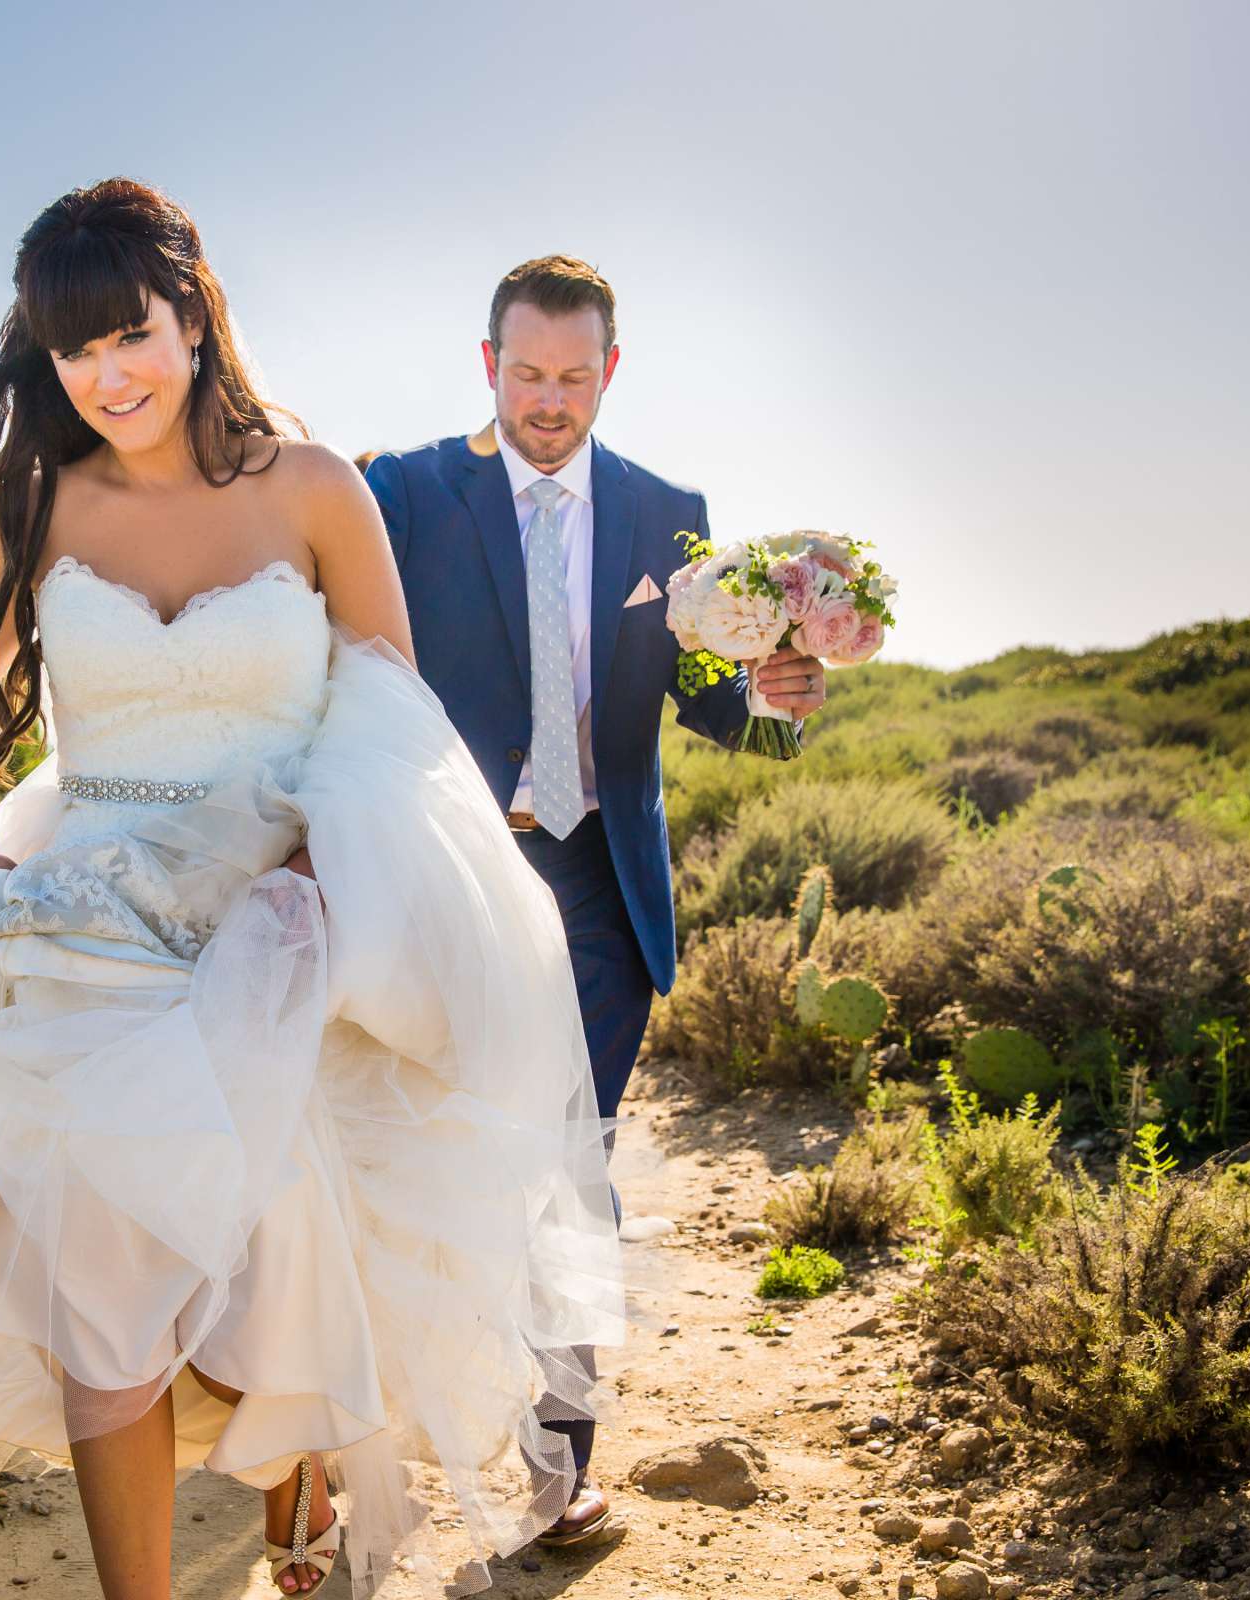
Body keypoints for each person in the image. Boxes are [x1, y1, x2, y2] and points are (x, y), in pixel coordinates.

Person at [0, 181, 625, 1600]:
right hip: (81, 933)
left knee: (269, 1286)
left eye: (130, 335)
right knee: (104, 1298)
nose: (105, 376)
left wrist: (318, 871)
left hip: (280, 925)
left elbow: (389, 710)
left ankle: (295, 1484)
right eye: (71, 352)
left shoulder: (312, 490)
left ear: (195, 316)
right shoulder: (33, 505)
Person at [361, 255, 828, 1550]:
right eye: (527, 374)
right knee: (430, 1163)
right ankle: (382, 1432)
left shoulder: (667, 511)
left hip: (601, 900)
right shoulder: (402, 493)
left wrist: (776, 708)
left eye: (575, 377)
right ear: (487, 364)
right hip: (449, 887)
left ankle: (559, 1470)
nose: (550, 401)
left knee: (576, 1168)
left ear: (609, 370)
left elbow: (713, 703)